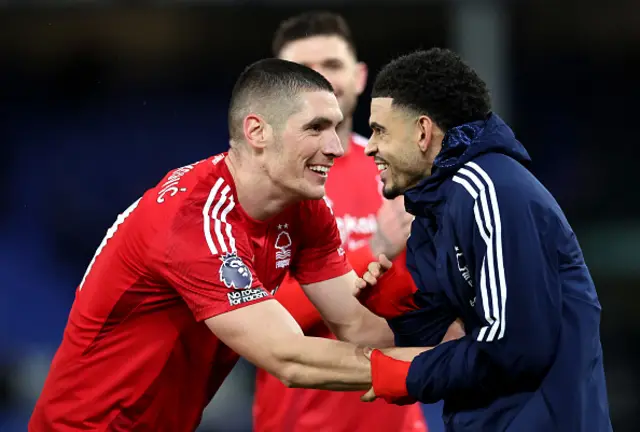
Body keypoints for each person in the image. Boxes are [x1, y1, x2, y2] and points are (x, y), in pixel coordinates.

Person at [28, 58, 397, 432]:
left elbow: (357, 325)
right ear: (256, 131)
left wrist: (444, 342)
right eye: (315, 128)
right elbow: (290, 359)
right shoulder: (195, 219)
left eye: (335, 128)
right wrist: (427, 371)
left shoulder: (306, 210)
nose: (335, 146)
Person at [357, 48, 612, 431]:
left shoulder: (487, 189)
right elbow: (448, 340)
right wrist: (404, 307)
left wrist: (409, 375)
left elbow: (515, 346)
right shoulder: (433, 208)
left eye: (380, 131)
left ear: (423, 132)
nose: (370, 147)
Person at [253, 12, 427, 432]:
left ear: (360, 76)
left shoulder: (405, 175)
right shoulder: (258, 188)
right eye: (302, 70)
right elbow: (259, 315)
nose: (319, 80)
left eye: (331, 65)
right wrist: (373, 250)